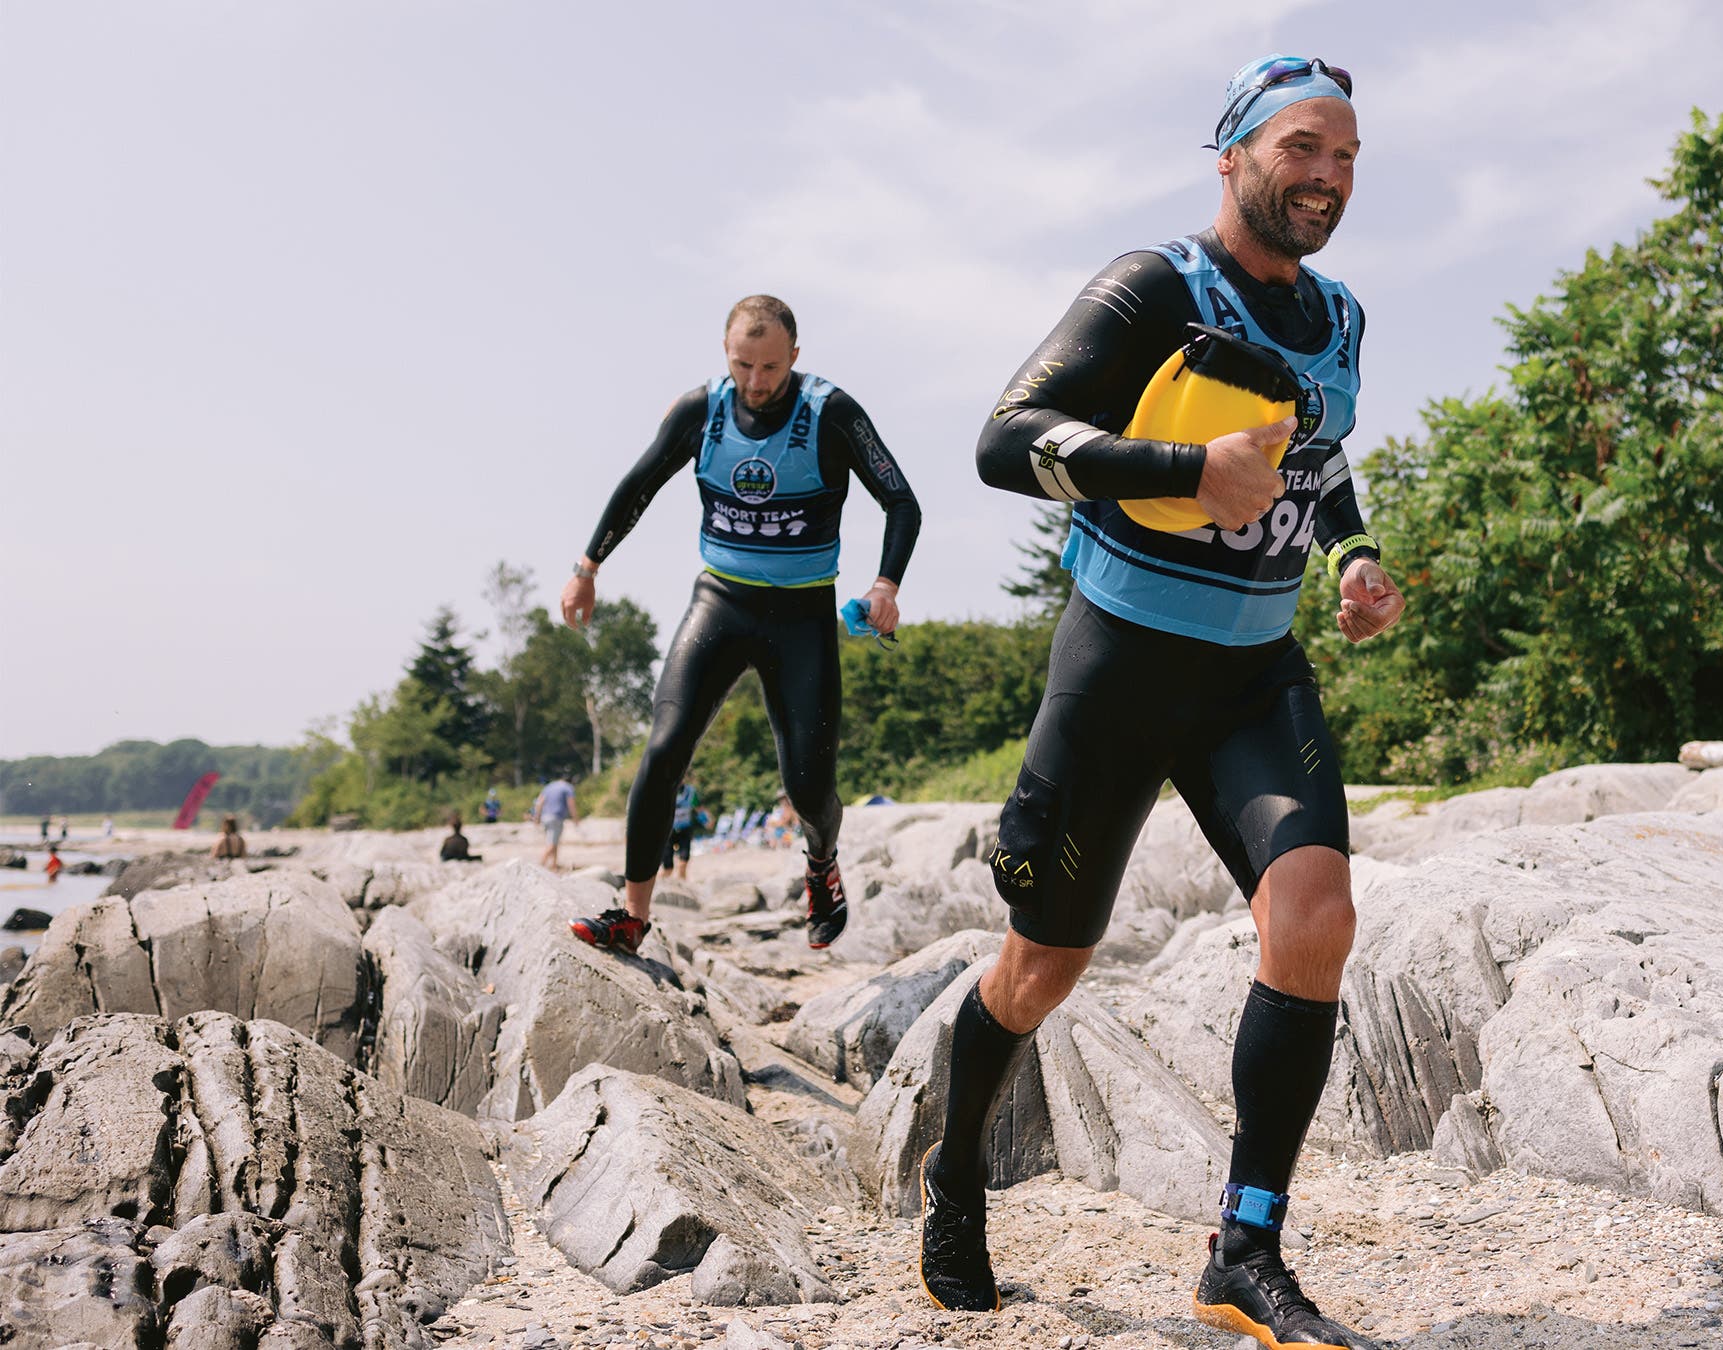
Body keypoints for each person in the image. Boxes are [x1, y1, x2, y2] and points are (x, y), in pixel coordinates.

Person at [917, 56, 1403, 1350]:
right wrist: (1186, 468)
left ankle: (1245, 1247)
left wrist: (1352, 556)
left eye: (1349, 158)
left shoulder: (1341, 317)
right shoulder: (1152, 290)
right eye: (1305, 147)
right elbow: (1003, 435)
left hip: (1256, 673)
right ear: (1235, 152)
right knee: (1040, 968)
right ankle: (954, 1170)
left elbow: (1325, 447)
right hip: (1121, 664)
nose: (1329, 177)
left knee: (1315, 916)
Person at [559, 295, 921, 954]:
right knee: (664, 749)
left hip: (803, 613)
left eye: (771, 367)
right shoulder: (703, 411)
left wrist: (885, 586)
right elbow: (639, 484)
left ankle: (821, 865)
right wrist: (588, 565)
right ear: (726, 355)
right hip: (720, 601)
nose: (756, 382)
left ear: (796, 358)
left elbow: (902, 501)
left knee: (809, 788)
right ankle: (633, 915)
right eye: (743, 365)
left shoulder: (830, 412)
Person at [534, 776, 578, 871]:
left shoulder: (548, 787)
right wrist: (575, 819)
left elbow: (539, 802)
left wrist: (537, 818)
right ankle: (539, 866)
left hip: (544, 817)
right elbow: (571, 804)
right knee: (552, 844)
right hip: (556, 818)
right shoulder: (567, 787)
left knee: (553, 842)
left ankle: (554, 866)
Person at [661, 778, 700, 880]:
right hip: (668, 832)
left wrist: (706, 820)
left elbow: (698, 808)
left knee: (683, 864)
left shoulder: (690, 792)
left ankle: (683, 886)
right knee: (668, 869)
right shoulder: (663, 791)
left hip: (685, 830)